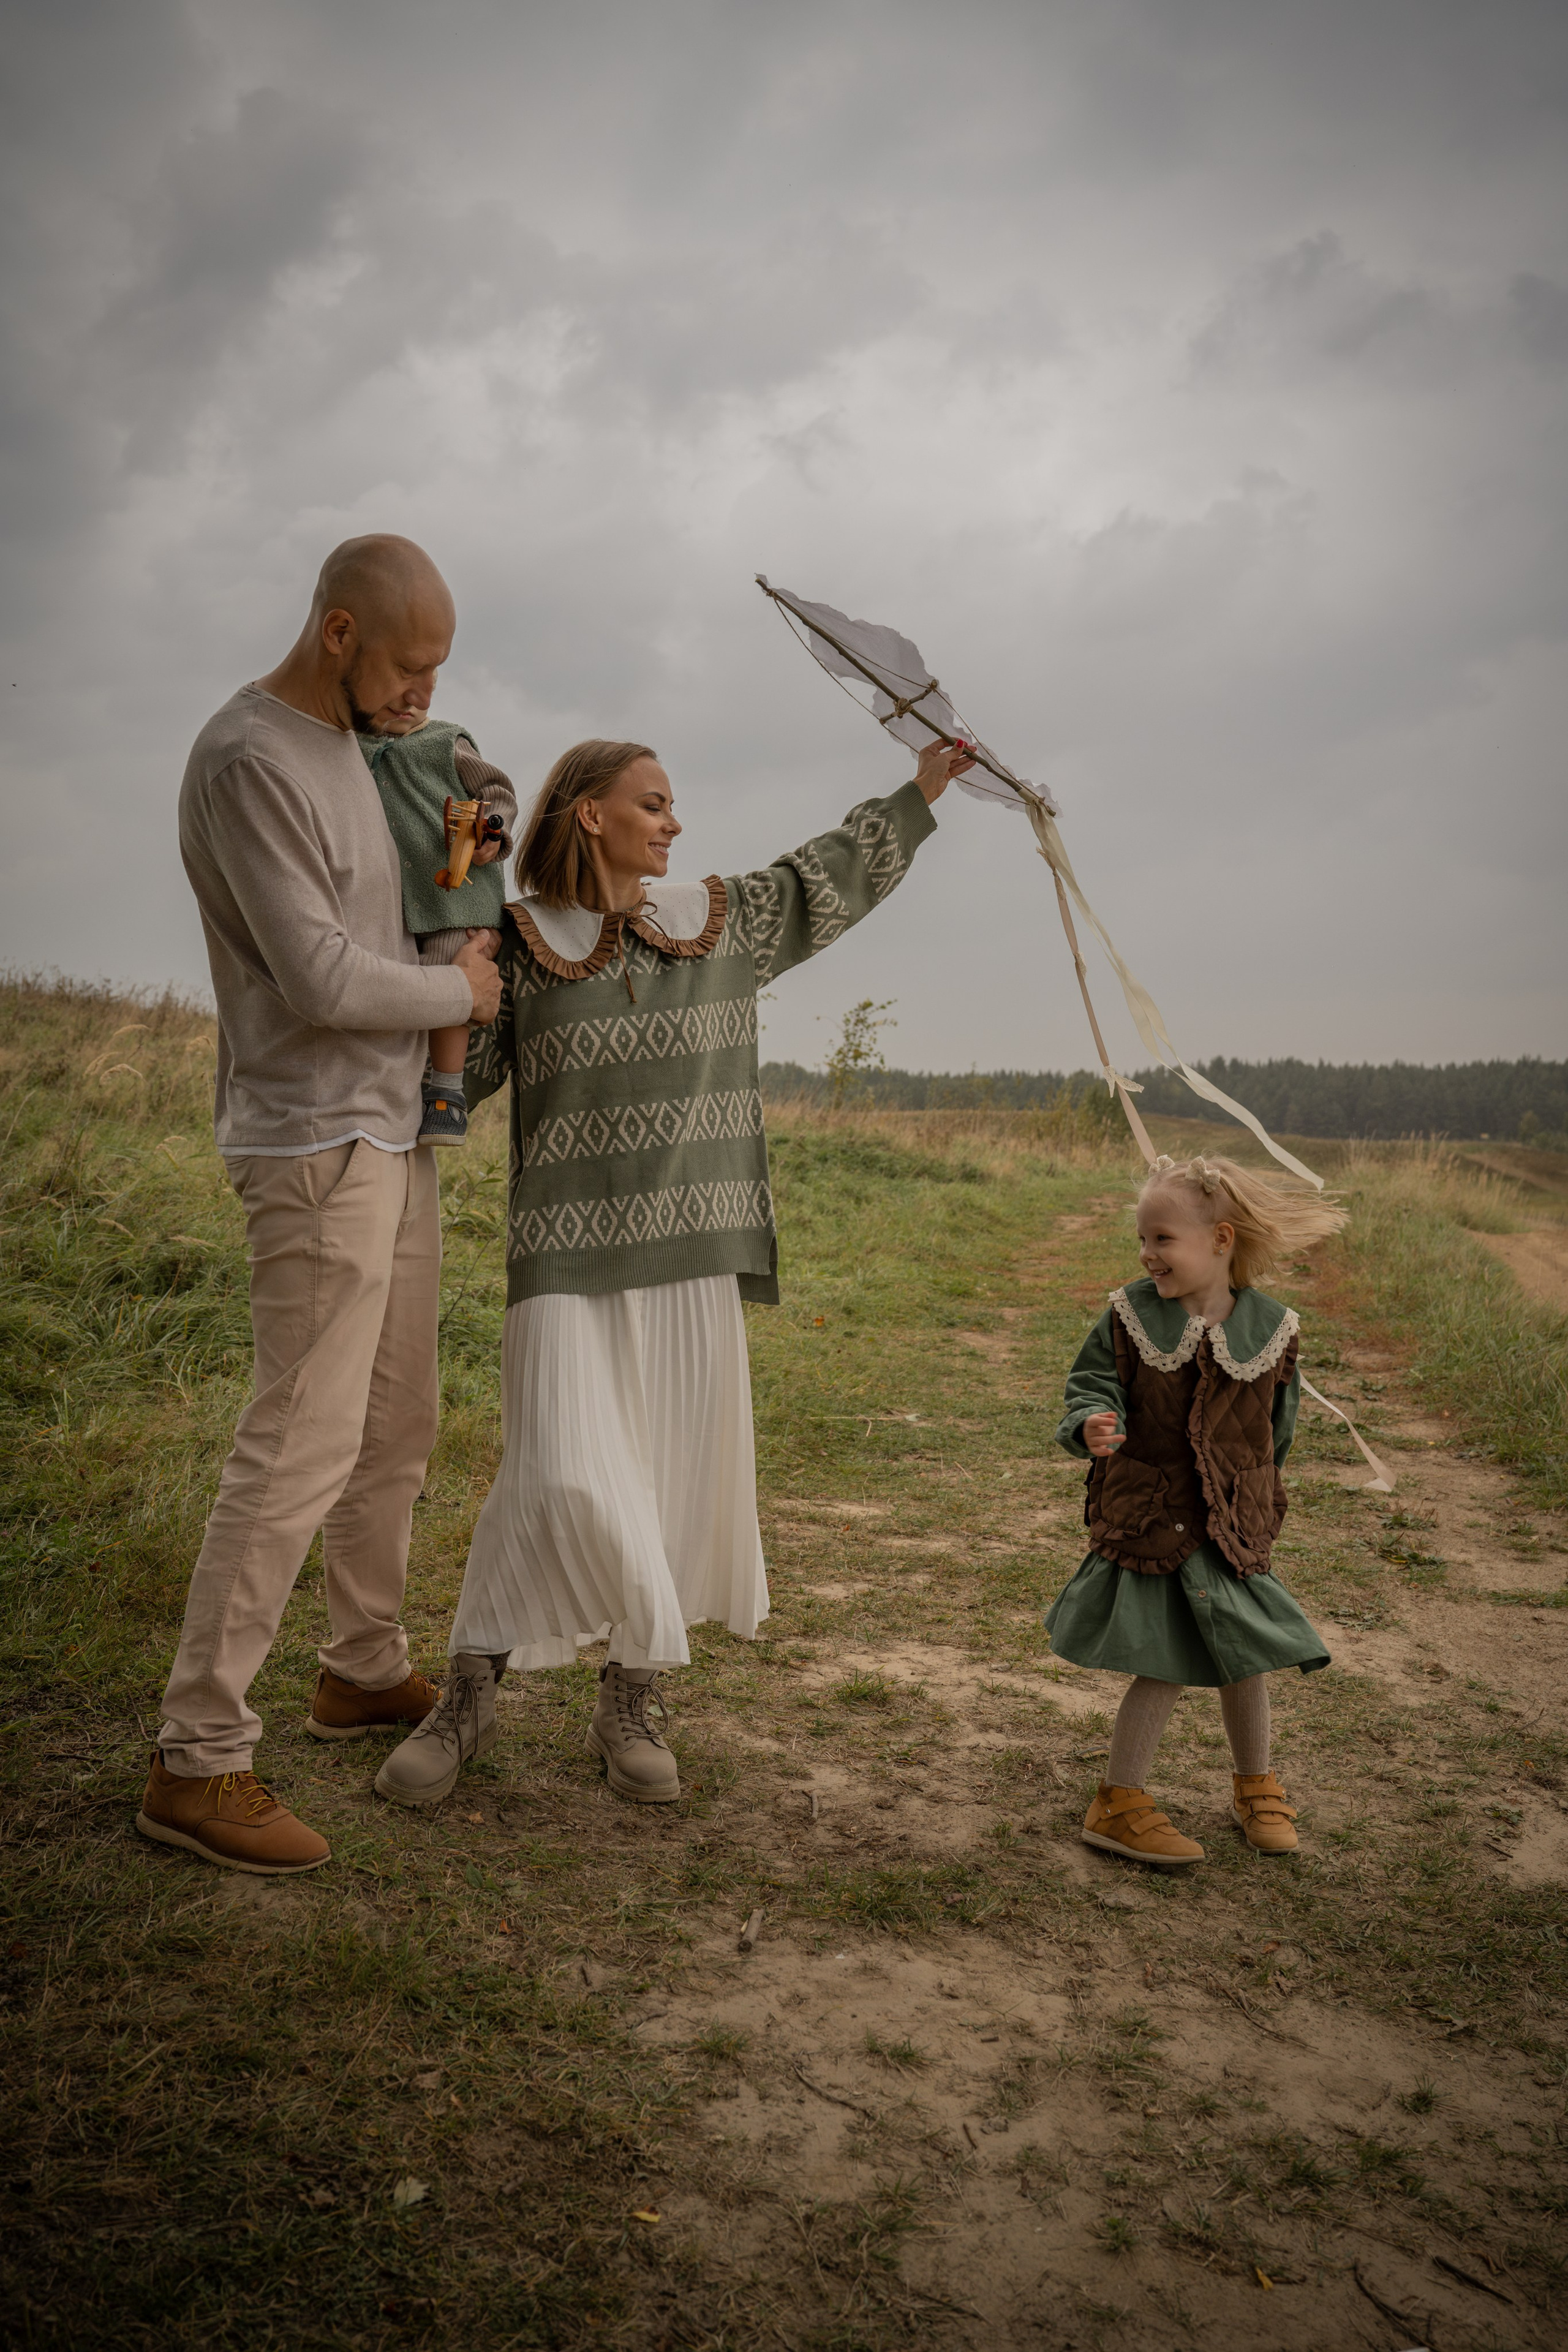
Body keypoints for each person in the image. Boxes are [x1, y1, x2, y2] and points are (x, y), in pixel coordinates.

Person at [374, 731, 975, 1809]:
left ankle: (625, 1690)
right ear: (590, 814)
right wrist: (452, 969)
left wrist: (920, 791)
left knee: (653, 1472)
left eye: (676, 804)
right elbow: (462, 1081)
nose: (674, 821)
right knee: (554, 1469)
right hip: (561, 1251)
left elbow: (821, 878)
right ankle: (470, 1689)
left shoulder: (720, 921)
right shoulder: (514, 941)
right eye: (653, 803)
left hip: (693, 1252)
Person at [136, 535, 503, 1876]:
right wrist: (456, 996)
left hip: (390, 1131)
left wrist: (455, 930)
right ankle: (197, 1758)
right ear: (340, 633)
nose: (425, 695)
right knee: (296, 1441)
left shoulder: (358, 749)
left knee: (396, 1422)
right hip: (311, 1141)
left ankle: (359, 1667)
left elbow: (381, 930)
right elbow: (311, 977)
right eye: (411, 667)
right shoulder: (248, 759)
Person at [1047, 1153, 1345, 1868]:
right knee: (1164, 1661)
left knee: (1245, 1658)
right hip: (1154, 1516)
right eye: (1142, 1239)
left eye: (1162, 1239)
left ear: (1221, 1240)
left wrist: (1254, 1496)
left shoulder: (1272, 1329)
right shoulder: (1129, 1315)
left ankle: (1255, 1785)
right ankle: (1117, 1802)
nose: (1147, 1254)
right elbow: (1091, 1383)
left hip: (1229, 1523)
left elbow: (1278, 1430)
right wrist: (1091, 1422)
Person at [355, 712, 518, 1147]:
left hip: (459, 891)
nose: (410, 701)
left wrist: (494, 831)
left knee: (454, 969)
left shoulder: (446, 742)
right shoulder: (351, 748)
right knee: (395, 979)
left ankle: (447, 1092)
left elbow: (496, 792)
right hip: (394, 897)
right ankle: (398, 1082)